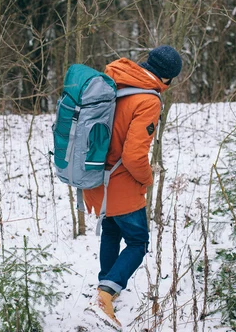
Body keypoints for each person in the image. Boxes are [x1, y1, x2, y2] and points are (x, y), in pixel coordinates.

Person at [83, 45, 183, 328]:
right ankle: (104, 296)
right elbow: (134, 155)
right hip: (123, 182)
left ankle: (107, 289)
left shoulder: (116, 80)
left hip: (96, 178)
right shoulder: (148, 100)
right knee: (138, 242)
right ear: (167, 79)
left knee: (112, 231)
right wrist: (147, 177)